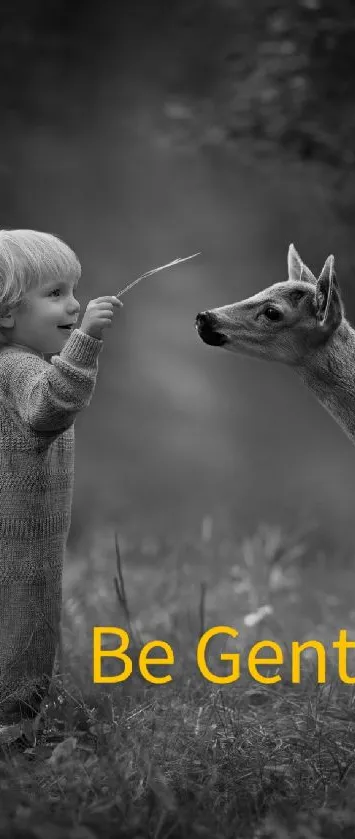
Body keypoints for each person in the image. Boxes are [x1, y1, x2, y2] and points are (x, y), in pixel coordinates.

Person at [0, 229, 123, 754]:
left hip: (29, 533)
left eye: (74, 290)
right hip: (19, 539)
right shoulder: (18, 366)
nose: (74, 304)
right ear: (5, 312)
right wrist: (87, 339)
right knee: (24, 634)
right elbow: (52, 407)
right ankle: (13, 730)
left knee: (26, 628)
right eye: (55, 294)